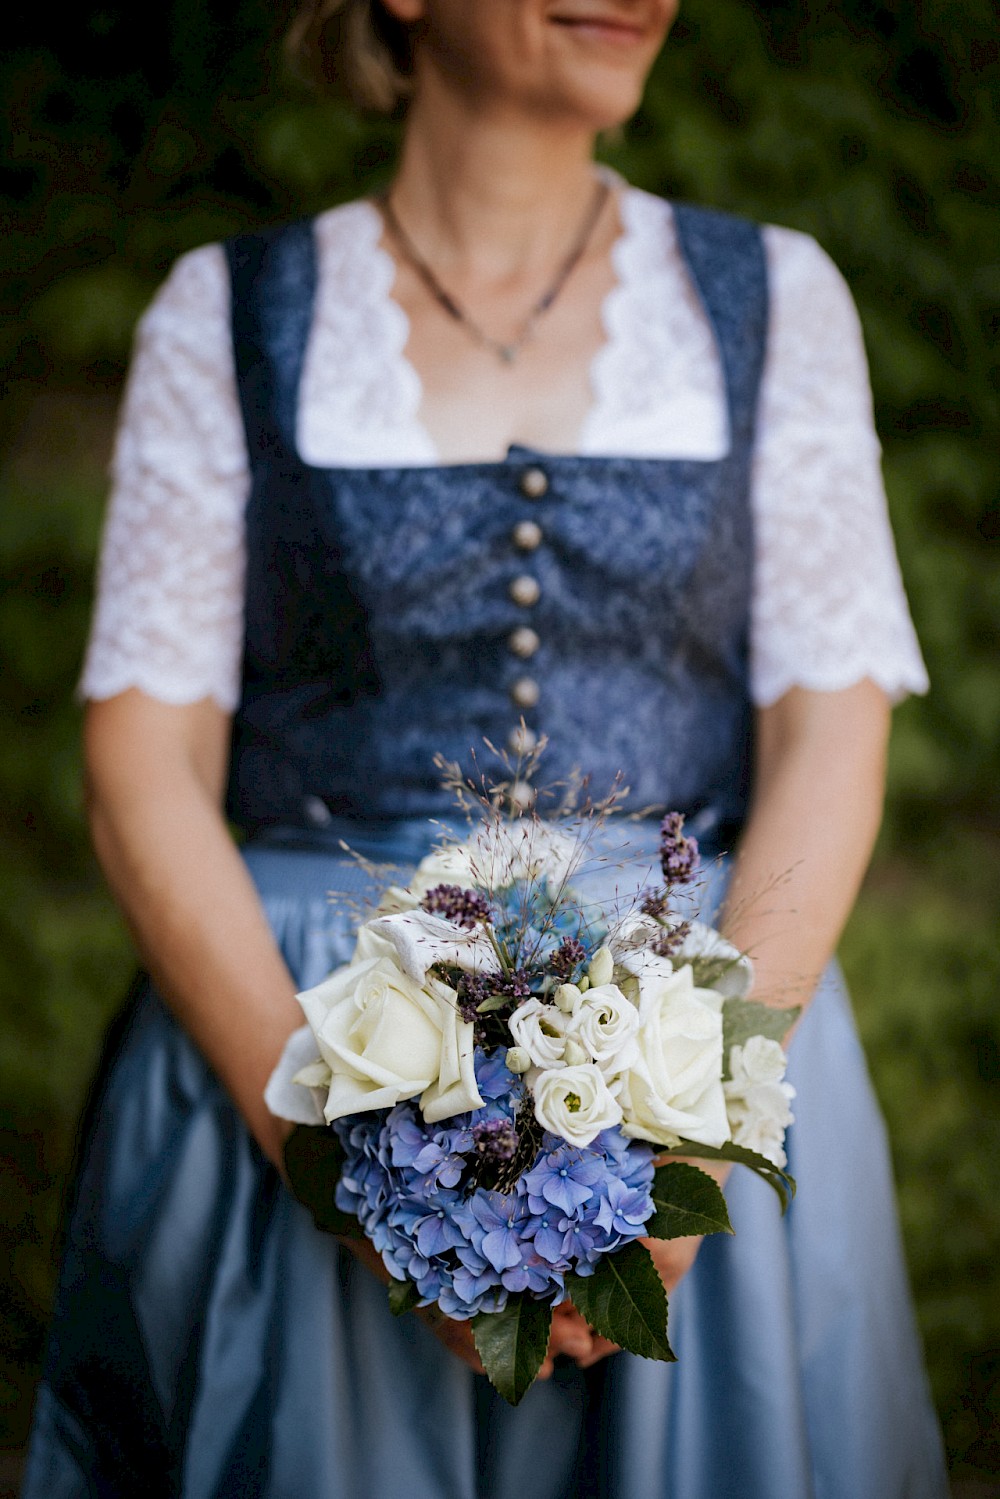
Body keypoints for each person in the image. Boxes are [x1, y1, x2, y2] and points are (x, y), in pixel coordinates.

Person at [22, 1, 949, 1495]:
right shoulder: (227, 314)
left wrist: (695, 1131)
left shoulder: (777, 297)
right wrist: (339, 1161)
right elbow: (142, 773)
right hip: (302, 1037)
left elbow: (833, 733)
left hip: (697, 1038)